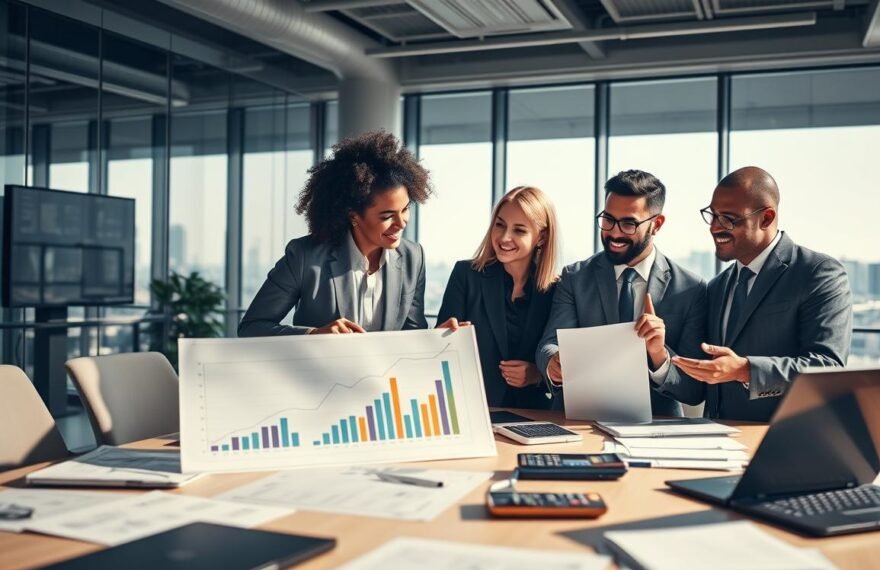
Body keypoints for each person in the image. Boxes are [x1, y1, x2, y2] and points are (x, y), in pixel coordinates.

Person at [672, 166, 852, 421]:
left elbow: (827, 367)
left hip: (785, 440)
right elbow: (700, 381)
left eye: (728, 218)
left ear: (766, 218)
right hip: (716, 441)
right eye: (712, 215)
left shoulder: (818, 273)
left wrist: (746, 370)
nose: (714, 227)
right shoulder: (717, 287)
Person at [536, 170, 707, 417]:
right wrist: (553, 363)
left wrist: (659, 355)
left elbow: (694, 390)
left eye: (629, 223)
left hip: (657, 428)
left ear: (656, 225)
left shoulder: (691, 289)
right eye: (608, 220)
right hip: (580, 422)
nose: (614, 233)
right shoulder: (575, 277)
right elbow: (549, 344)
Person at [238, 130, 431, 337]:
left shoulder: (413, 257)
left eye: (405, 209)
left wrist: (442, 337)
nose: (401, 223)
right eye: (386, 216)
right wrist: (314, 335)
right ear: (353, 215)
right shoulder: (304, 257)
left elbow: (413, 334)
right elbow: (252, 327)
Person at [436, 186, 560, 409]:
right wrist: (442, 337)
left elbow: (562, 364)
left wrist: (537, 376)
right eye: (500, 225)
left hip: (532, 415)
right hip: (469, 409)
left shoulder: (555, 290)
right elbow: (439, 351)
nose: (504, 237)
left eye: (519, 230)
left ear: (541, 237)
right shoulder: (466, 275)